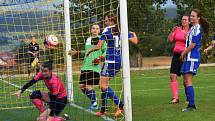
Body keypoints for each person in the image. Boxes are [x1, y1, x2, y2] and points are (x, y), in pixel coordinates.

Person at [86, 14, 138, 117]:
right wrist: (134, 34)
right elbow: (135, 41)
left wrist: (89, 50)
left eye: (106, 21)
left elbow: (98, 46)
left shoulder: (106, 30)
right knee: (104, 85)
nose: (105, 23)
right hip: (119, 61)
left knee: (102, 85)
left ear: (111, 21)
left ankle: (120, 105)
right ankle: (103, 109)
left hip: (109, 61)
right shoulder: (121, 29)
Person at [69, 24, 107, 110]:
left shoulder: (102, 40)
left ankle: (94, 104)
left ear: (99, 30)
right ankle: (94, 99)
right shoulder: (88, 39)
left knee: (89, 85)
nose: (95, 30)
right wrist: (77, 53)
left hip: (94, 66)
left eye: (97, 28)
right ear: (91, 30)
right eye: (93, 28)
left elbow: (106, 51)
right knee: (81, 86)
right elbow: (87, 52)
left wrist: (100, 58)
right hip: (85, 66)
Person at [180, 9, 209, 112]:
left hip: (192, 57)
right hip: (188, 57)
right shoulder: (192, 28)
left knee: (188, 81)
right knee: (185, 81)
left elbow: (193, 45)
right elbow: (189, 42)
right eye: (190, 16)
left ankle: (191, 106)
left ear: (198, 18)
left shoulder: (197, 28)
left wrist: (183, 53)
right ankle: (189, 101)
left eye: (193, 16)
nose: (191, 17)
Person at [167, 15, 190, 104]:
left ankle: (188, 97)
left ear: (189, 21)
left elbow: (191, 43)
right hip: (176, 55)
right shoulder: (177, 29)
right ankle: (175, 97)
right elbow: (169, 40)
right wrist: (172, 32)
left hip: (185, 55)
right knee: (172, 75)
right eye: (182, 19)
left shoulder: (190, 30)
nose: (183, 21)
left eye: (185, 20)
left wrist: (185, 35)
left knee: (186, 79)